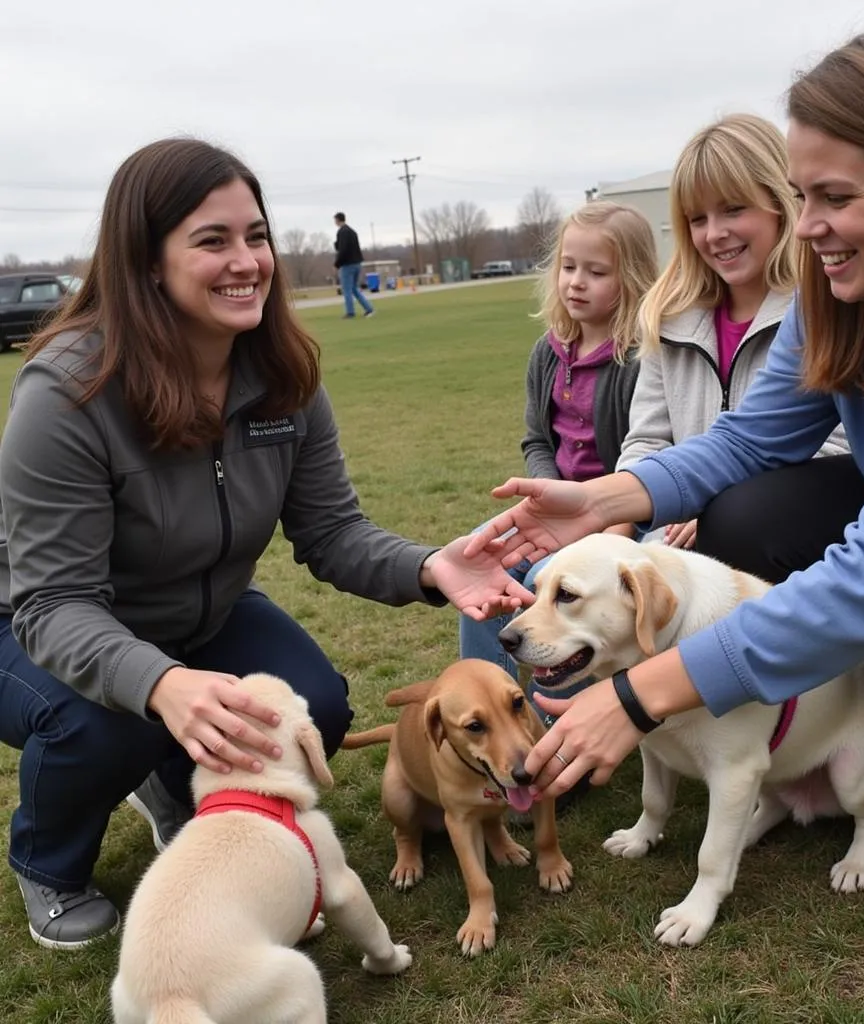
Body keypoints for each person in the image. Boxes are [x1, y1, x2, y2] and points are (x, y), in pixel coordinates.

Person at [467, 22, 864, 915]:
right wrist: (602, 498)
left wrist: (640, 695)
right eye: (801, 195)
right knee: (751, 520)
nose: (806, 228)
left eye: (834, 196)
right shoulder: (848, 289)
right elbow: (748, 441)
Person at [0, 138, 531, 950]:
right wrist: (163, 684)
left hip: (199, 611)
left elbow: (331, 532)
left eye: (256, 235)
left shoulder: (283, 374)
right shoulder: (69, 392)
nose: (247, 261)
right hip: (36, 626)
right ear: (145, 261)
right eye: (212, 241)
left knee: (314, 706)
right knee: (111, 723)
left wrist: (431, 565)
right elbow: (55, 603)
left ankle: (179, 786)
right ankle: (48, 859)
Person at [459, 200, 659, 714]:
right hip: (555, 514)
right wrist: (545, 500)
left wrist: (608, 522)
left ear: (633, 279)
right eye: (568, 267)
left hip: (623, 517)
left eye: (596, 272)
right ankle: (491, 710)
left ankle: (558, 732)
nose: (576, 282)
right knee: (482, 568)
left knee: (542, 584)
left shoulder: (640, 357)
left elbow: (650, 452)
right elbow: (537, 442)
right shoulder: (547, 353)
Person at [612, 113, 846, 549]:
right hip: (668, 535)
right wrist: (613, 535)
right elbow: (646, 441)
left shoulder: (827, 308)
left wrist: (719, 509)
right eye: (697, 219)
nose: (714, 234)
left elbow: (836, 449)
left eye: (733, 209)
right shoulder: (668, 317)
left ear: (782, 203)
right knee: (531, 576)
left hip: (779, 536)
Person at [332, 211, 374, 319]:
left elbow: (343, 250)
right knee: (354, 288)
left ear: (337, 220)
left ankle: (350, 312)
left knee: (347, 289)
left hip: (347, 264)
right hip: (357, 263)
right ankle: (368, 308)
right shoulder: (352, 231)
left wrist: (337, 263)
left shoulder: (342, 232)